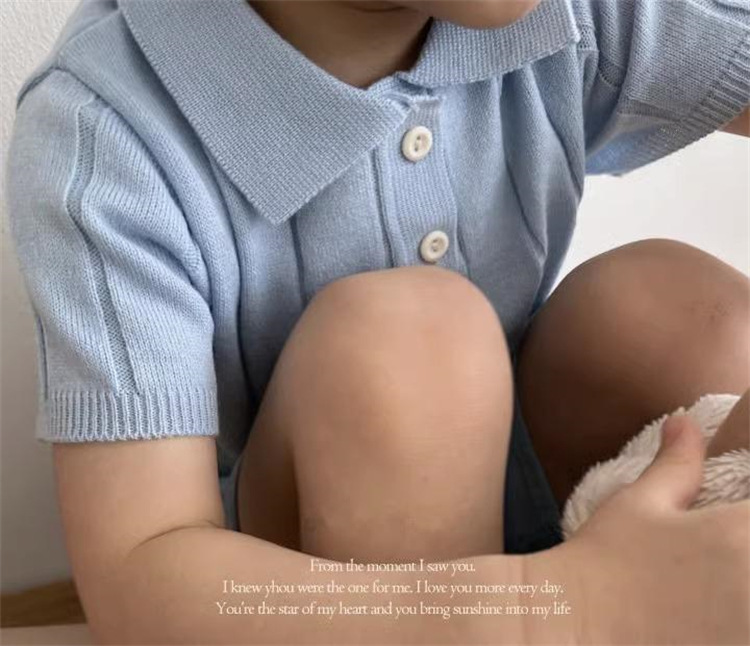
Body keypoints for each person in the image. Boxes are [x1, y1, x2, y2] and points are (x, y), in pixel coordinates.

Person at [5, 0, 749, 643]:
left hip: (539, 493)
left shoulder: (562, 16)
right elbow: (138, 578)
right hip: (324, 595)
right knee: (410, 350)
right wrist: (555, 612)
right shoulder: (103, 134)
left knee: (680, 313)